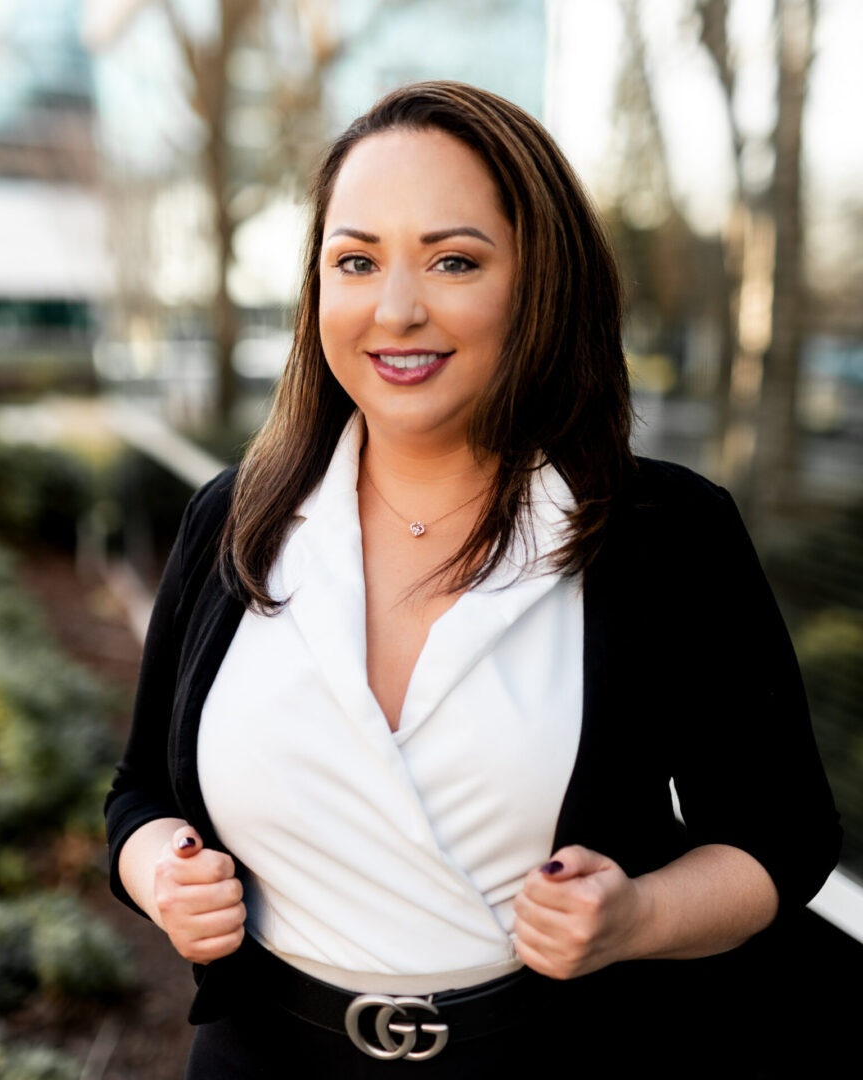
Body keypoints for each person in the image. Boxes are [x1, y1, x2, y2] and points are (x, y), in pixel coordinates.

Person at [105, 81, 840, 1078]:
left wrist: (640, 915)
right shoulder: (236, 519)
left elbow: (782, 839)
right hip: (260, 1056)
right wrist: (161, 875)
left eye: (454, 261)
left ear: (541, 282)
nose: (396, 309)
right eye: (356, 261)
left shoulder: (663, 531)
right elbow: (141, 791)